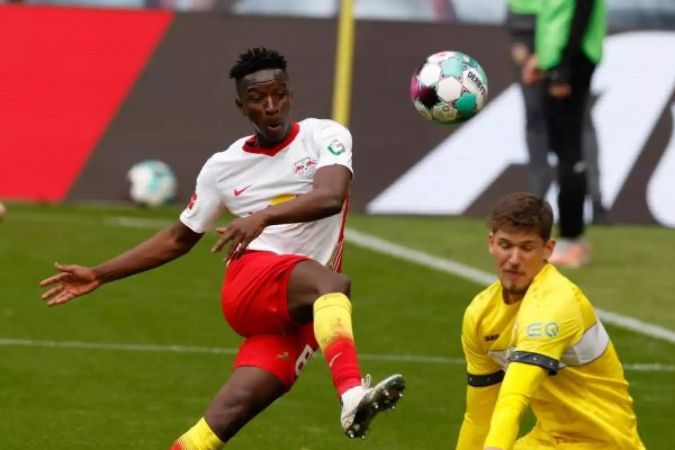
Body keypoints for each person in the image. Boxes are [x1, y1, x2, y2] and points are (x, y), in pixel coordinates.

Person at [39, 48, 404, 449]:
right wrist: (99, 273)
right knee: (333, 284)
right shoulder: (222, 168)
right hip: (252, 283)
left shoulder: (325, 136)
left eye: (278, 94)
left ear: (290, 94)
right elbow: (179, 238)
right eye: (257, 99)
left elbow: (331, 195)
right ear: (241, 107)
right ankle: (352, 396)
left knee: (218, 425)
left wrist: (260, 216)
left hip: (299, 311)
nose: (270, 106)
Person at [456, 192, 643, 450]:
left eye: (526, 248)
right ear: (491, 243)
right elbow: (479, 418)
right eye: (506, 245)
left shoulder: (555, 304)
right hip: (549, 440)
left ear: (548, 250)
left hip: (604, 444)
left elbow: (514, 398)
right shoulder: (480, 315)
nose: (513, 259)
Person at [518, 0, 607, 268]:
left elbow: (580, 13)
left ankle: (571, 238)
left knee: (569, 148)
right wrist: (542, 57)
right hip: (557, 58)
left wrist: (562, 69)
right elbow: (553, 14)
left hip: (571, 60)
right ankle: (574, 237)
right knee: (561, 145)